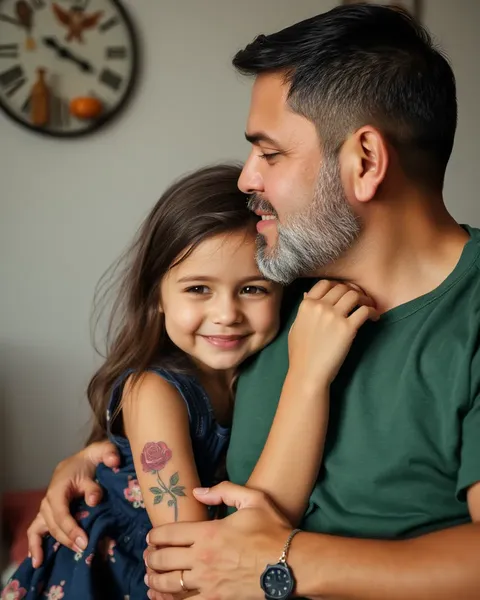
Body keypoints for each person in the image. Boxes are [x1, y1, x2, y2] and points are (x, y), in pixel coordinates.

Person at [19, 3, 480, 599]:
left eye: (271, 152)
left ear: (365, 161)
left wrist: (278, 563)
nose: (247, 180)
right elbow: (174, 409)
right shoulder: (273, 291)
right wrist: (93, 460)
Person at [2, 164, 377, 600]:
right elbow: (193, 548)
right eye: (199, 289)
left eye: (252, 289)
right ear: (156, 296)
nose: (226, 314)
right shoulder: (153, 391)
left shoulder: (257, 373)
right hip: (115, 577)